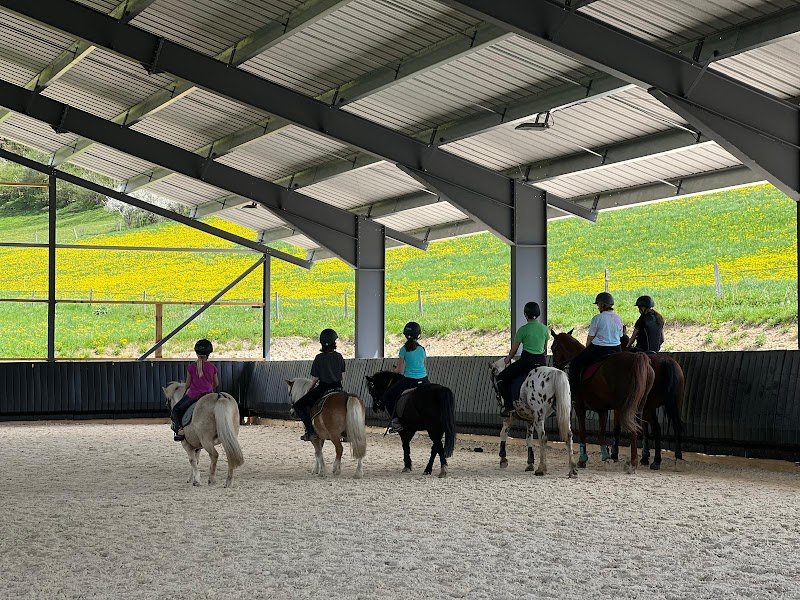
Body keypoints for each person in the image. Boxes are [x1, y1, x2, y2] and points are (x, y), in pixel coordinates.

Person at [293, 328, 346, 441]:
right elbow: (342, 375)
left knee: (299, 406)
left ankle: (310, 432)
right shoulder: (339, 356)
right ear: (333, 343)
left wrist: (309, 390)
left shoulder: (319, 358)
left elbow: (315, 379)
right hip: (338, 387)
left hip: (323, 388)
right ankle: (347, 432)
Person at [498, 301, 548, 417]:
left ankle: (509, 406)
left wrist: (507, 359)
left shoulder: (523, 330)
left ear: (525, 314)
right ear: (538, 313)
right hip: (542, 362)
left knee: (501, 378)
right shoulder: (545, 329)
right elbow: (544, 347)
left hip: (527, 362)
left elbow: (514, 350)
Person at [568, 292, 623, 393]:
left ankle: (574, 392)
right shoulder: (618, 318)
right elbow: (620, 335)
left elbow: (590, 338)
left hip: (599, 348)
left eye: (598, 304)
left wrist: (586, 349)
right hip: (616, 348)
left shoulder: (597, 318)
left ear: (602, 304)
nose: (598, 307)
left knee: (575, 363)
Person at [384, 321, 429, 433]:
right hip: (424, 379)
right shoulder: (422, 349)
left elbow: (399, 370)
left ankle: (396, 423)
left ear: (405, 335)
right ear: (418, 335)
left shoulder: (403, 349)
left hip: (409, 381)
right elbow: (421, 365)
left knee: (388, 396)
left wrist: (394, 370)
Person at [171, 339, 218, 441]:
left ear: (196, 353)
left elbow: (188, 384)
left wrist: (185, 391)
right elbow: (216, 383)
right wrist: (209, 388)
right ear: (208, 354)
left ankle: (180, 430)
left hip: (194, 394)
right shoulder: (212, 367)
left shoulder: (191, 367)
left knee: (176, 410)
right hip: (209, 394)